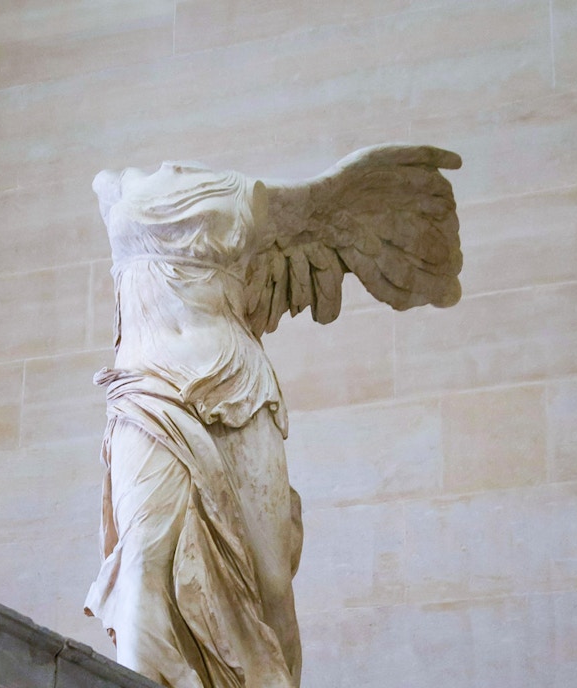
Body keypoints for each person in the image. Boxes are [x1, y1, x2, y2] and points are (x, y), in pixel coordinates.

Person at [84, 147, 463, 688]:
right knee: (143, 558)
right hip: (147, 395)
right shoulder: (116, 189)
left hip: (237, 387)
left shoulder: (259, 201)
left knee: (271, 582)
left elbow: (335, 205)